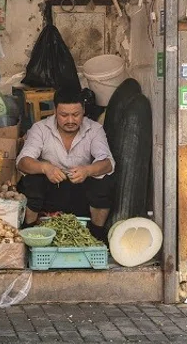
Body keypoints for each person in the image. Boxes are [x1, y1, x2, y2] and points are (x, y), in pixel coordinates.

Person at [16, 85, 116, 241]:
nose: (70, 120)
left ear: (83, 111)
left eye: (76, 114)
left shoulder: (95, 129)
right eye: (64, 115)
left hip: (81, 194)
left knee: (104, 179)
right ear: (55, 111)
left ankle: (96, 234)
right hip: (50, 193)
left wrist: (87, 170)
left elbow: (107, 163)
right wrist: (45, 167)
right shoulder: (40, 128)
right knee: (32, 179)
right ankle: (29, 232)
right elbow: (23, 162)